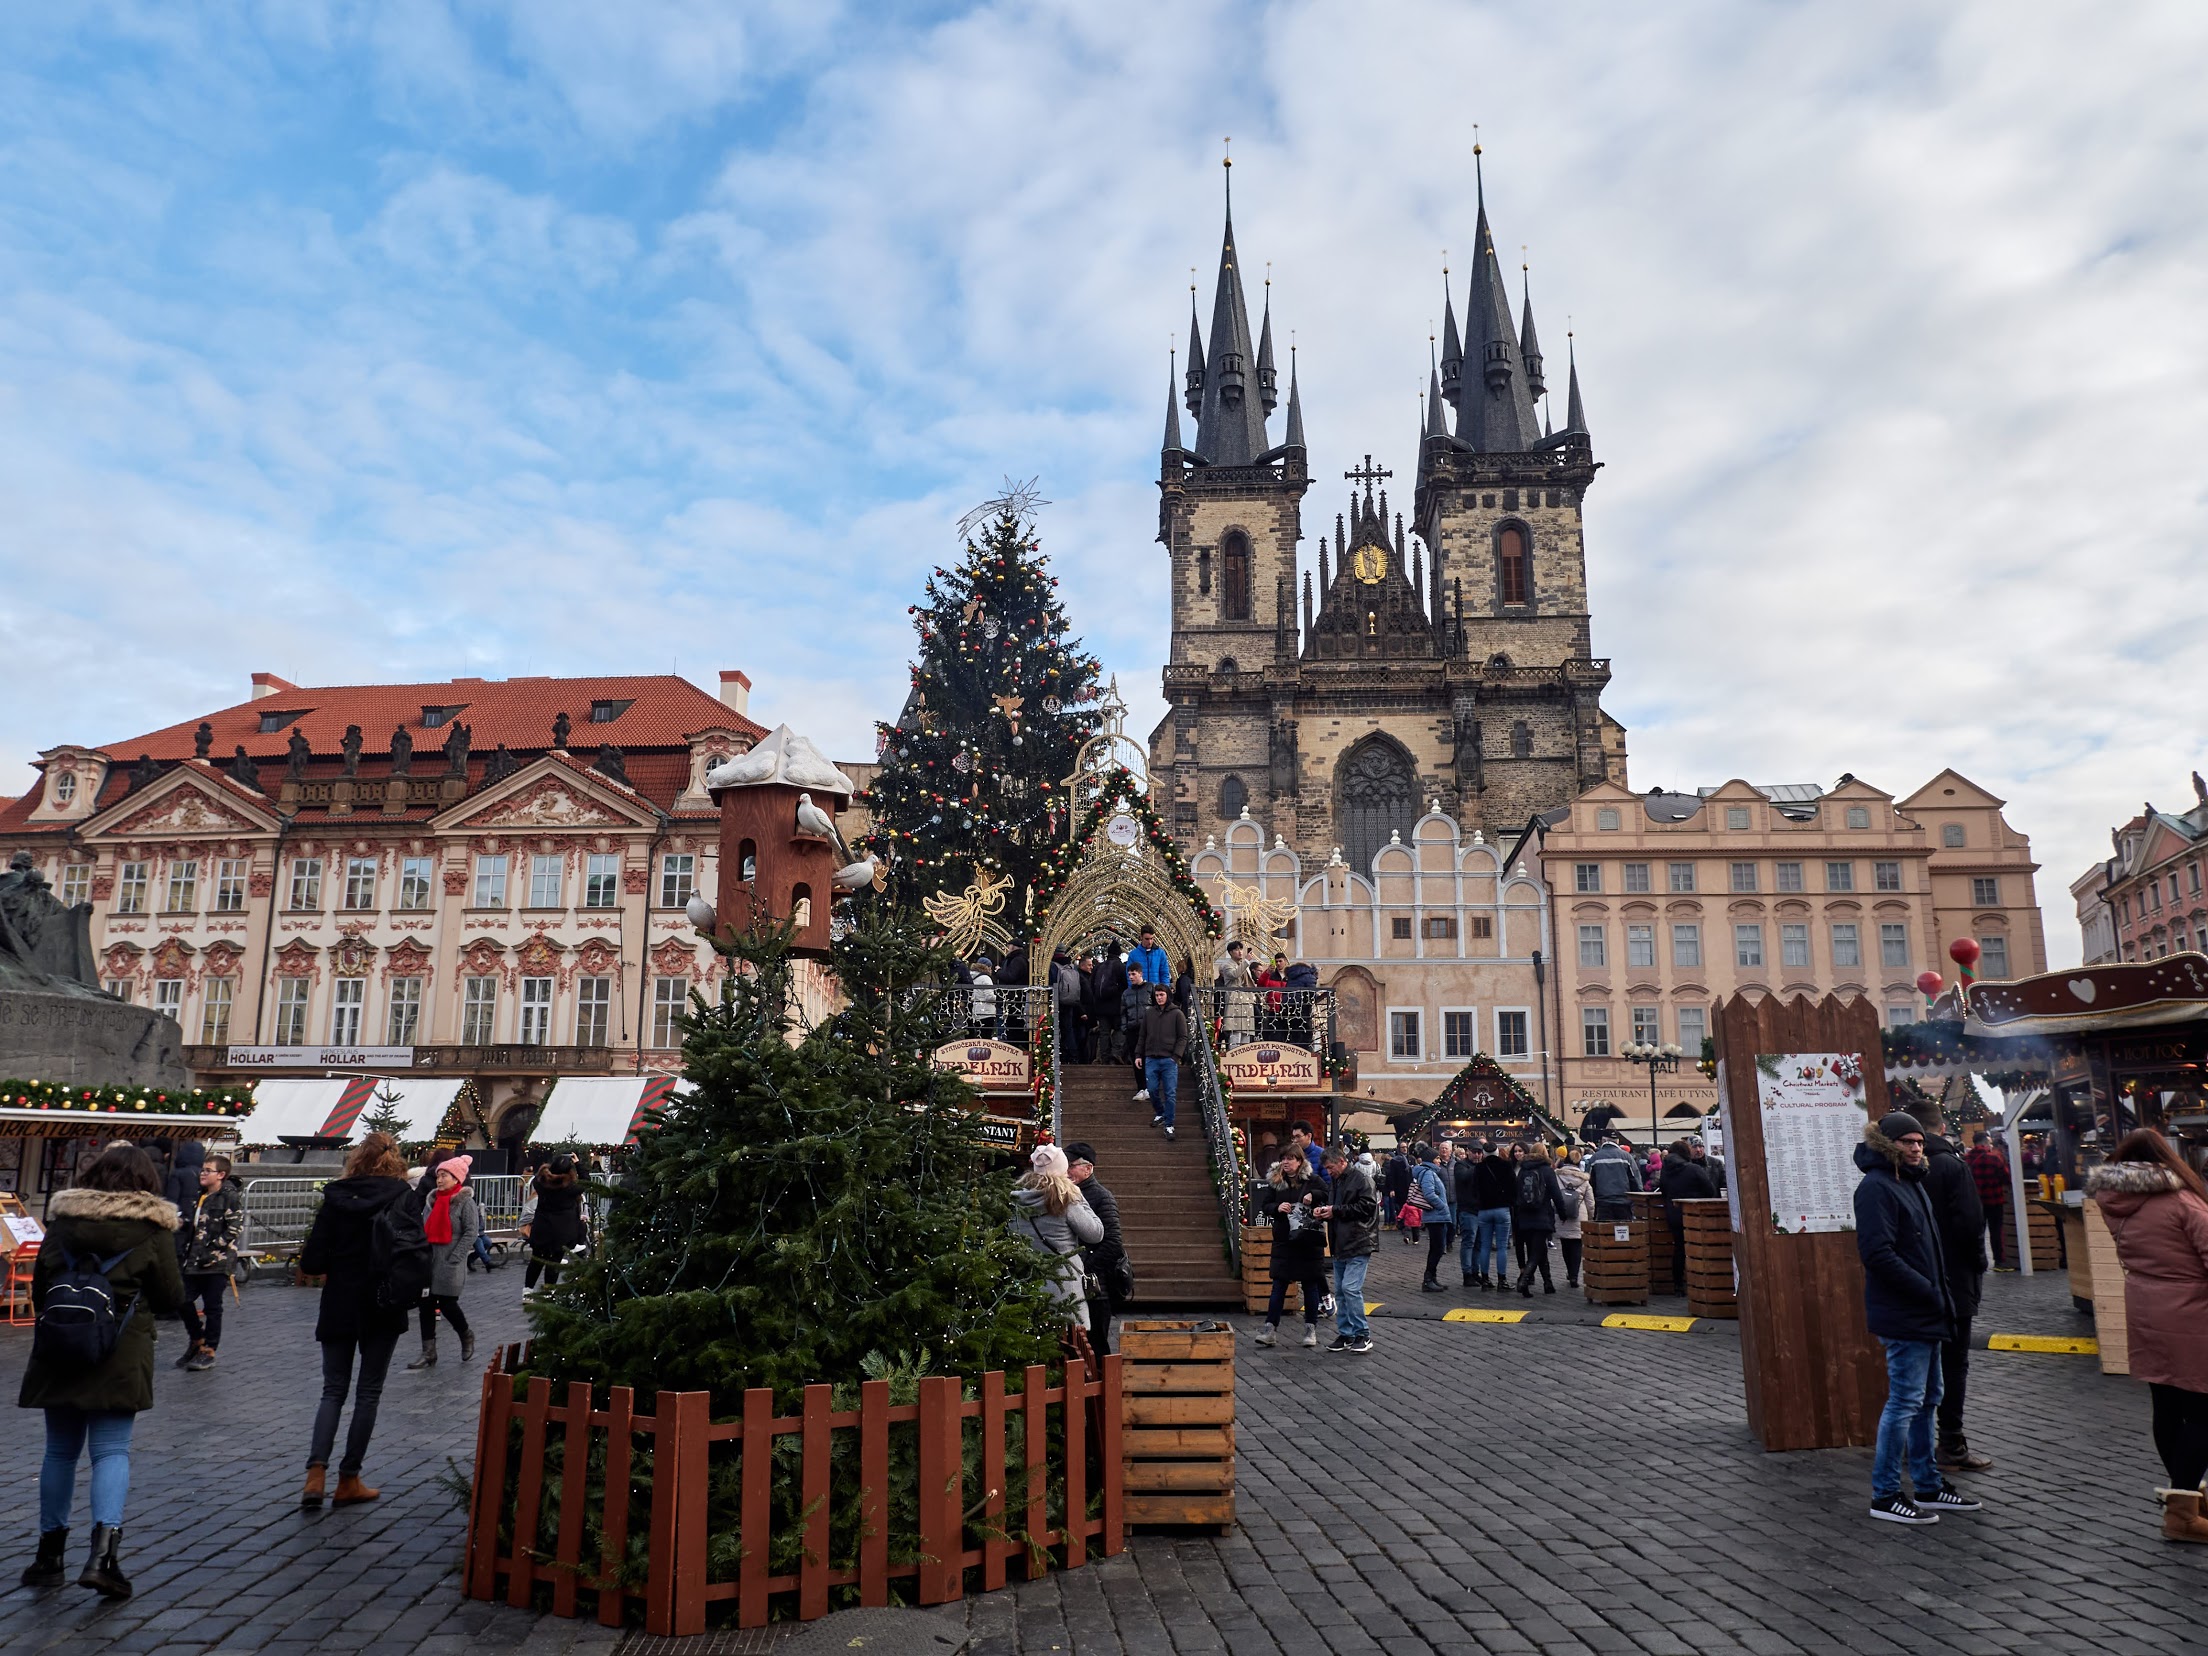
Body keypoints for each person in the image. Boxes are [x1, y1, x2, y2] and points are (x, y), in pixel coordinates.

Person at [17, 1142, 185, 1599]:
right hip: (119, 1352)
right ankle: (103, 1556)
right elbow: (172, 1297)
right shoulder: (152, 1228)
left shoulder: (64, 1222)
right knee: (111, 1451)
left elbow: (40, 1284)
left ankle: (48, 1556)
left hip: (62, 1344)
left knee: (59, 1453)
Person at [1852, 1112, 1980, 1525]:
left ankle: (1927, 1485)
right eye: (1907, 1141)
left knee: (1928, 1400)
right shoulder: (1876, 1187)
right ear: (1888, 1144)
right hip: (1906, 1311)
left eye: (1920, 1141)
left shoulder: (1912, 1183)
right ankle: (1885, 1493)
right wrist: (1927, 1291)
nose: (1916, 1147)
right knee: (1905, 1402)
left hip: (1928, 1310)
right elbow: (1878, 1254)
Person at [2086, 1130, 2208, 1543]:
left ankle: (2186, 1498)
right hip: (2192, 1312)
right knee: (2203, 1411)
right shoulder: (2182, 1201)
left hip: (2143, 1305)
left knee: (2168, 1406)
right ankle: (2182, 1513)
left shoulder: (2113, 1202)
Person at [298, 1132, 414, 1510]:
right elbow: (413, 1252)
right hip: (383, 1301)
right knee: (368, 1392)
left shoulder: (336, 1198)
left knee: (333, 1389)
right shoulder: (402, 1196)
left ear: (356, 1158)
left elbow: (312, 1262)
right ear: (394, 1159)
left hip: (341, 1301)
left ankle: (315, 1474)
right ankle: (349, 1478)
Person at [1921, 1114, 1991, 1473]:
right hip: (1954, 1278)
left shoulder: (1899, 1169)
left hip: (1917, 1279)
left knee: (1918, 1363)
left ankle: (1916, 1442)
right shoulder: (1951, 1165)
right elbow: (1970, 1222)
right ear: (1941, 1127)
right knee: (1954, 1362)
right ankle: (1951, 1442)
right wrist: (1979, 1262)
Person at [1009, 1145, 1104, 1329]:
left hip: (1029, 1281)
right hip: (1065, 1287)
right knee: (1071, 1344)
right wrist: (1079, 1197)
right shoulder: (1066, 1200)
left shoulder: (1016, 1201)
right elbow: (1095, 1234)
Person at [409, 1156, 481, 1370]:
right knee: (426, 1306)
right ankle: (428, 1352)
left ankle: (466, 1334)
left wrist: (456, 1257)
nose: (439, 1180)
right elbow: (424, 1227)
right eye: (438, 1175)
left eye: (444, 1176)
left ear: (456, 1178)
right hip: (429, 1261)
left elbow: (471, 1232)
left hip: (450, 1262)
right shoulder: (432, 1201)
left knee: (448, 1304)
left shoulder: (465, 1202)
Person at [1251, 1154, 1330, 1349]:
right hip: (1284, 1240)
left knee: (1310, 1284)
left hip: (1307, 1239)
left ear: (1299, 1162)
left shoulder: (1313, 1180)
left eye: (1291, 1159)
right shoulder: (1276, 1181)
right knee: (1278, 1284)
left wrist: (1314, 1196)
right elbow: (1266, 1205)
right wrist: (1278, 1207)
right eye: (1284, 1159)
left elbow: (1327, 1193)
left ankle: (1310, 1329)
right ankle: (1270, 1329)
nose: (1286, 1162)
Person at [175, 1152, 242, 1373]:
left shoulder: (228, 1196)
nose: (202, 1174)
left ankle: (209, 1350)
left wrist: (212, 1250)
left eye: (207, 1170)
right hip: (192, 1260)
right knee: (182, 1300)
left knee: (213, 1307)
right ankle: (197, 1339)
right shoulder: (200, 1195)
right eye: (202, 1169)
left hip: (217, 1263)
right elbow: (196, 1226)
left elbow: (234, 1228)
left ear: (221, 1175)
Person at [1063, 1144, 1127, 1353]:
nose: (1066, 1171)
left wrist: (1083, 1268)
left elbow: (1113, 1244)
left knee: (1095, 1346)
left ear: (1088, 1168)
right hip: (1071, 1285)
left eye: (1071, 1165)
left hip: (1096, 1288)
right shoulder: (1065, 1193)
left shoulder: (1102, 1197)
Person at [1315, 1145, 1377, 1353]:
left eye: (1331, 1167)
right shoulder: (1337, 1180)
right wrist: (1326, 1211)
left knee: (1350, 1288)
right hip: (1341, 1241)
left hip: (1359, 1240)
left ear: (1342, 1161)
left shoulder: (1361, 1180)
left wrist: (1335, 1210)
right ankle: (1347, 1333)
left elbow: (1367, 1208)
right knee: (1341, 1291)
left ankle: (1362, 1334)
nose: (1328, 1172)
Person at [1657, 1139, 1717, 1294]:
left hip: (1673, 1214)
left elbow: (1663, 1191)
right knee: (1697, 1248)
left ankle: (1678, 1284)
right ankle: (1697, 1282)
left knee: (1679, 1248)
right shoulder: (1694, 1169)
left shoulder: (1666, 1170)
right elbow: (1710, 1190)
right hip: (1695, 1216)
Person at [1512, 1143, 1572, 1295]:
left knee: (1539, 1250)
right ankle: (1524, 1280)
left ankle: (1548, 1283)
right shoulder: (1547, 1170)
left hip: (1524, 1215)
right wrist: (1563, 1214)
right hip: (1542, 1215)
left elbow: (1516, 1193)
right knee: (1537, 1252)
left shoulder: (1522, 1169)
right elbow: (1556, 1195)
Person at [523, 1152, 587, 1291]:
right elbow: (586, 1181)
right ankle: (548, 1291)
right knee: (554, 1262)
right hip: (560, 1232)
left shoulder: (540, 1183)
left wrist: (547, 1168)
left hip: (542, 1228)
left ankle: (527, 1290)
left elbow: (537, 1177)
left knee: (536, 1260)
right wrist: (578, 1164)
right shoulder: (569, 1189)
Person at [1136, 982, 1187, 1139]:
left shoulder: (1177, 1014)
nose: (1159, 998)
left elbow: (1183, 1037)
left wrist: (1175, 1057)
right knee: (1151, 1089)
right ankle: (1160, 1112)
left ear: (1167, 995)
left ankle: (1169, 1124)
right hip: (1151, 1058)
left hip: (1168, 1060)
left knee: (1170, 1093)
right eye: (1157, 995)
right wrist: (1139, 1054)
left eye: (1161, 995)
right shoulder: (1149, 1013)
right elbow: (1142, 1035)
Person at [1468, 1136, 1518, 1290]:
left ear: (1483, 1153)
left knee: (1485, 1246)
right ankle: (1502, 1280)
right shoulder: (1506, 1165)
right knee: (1502, 1246)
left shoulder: (1479, 1168)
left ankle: (1485, 1279)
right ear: (1497, 1152)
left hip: (1484, 1210)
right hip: (1502, 1209)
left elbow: (1474, 1189)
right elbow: (1513, 1188)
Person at [1408, 1145, 1452, 1292]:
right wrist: (1442, 1206)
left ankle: (1432, 1278)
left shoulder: (1431, 1172)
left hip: (1437, 1216)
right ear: (1431, 1160)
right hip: (1435, 1216)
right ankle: (1428, 1279)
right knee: (1437, 1248)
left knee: (1437, 1248)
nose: (1439, 1160)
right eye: (1437, 1158)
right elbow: (1429, 1194)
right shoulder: (1428, 1173)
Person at [1966, 1134, 2013, 1269]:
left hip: (1975, 1202)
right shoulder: (1994, 1158)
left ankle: (1979, 1262)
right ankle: (1999, 1261)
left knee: (1977, 1232)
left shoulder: (1966, 1159)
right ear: (1986, 1143)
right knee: (1996, 1232)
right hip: (1994, 1200)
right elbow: (2006, 1178)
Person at [1554, 1148, 1592, 1288]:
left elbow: (1553, 1194)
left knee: (1565, 1245)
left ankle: (1569, 1271)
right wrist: (1590, 1217)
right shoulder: (1584, 1180)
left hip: (1562, 1214)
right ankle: (1574, 1276)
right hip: (1579, 1215)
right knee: (1576, 1247)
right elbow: (1590, 1203)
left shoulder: (1557, 1176)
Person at [1585, 1136, 1642, 1222]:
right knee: (1624, 1231)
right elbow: (1635, 1179)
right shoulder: (1626, 1157)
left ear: (1603, 1141)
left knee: (1605, 1232)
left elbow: (1589, 1181)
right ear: (1617, 1141)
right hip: (1624, 1202)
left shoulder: (1595, 1158)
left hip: (1602, 1203)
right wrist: (1638, 1199)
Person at [1453, 1142, 1487, 1284]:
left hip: (1481, 1210)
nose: (1477, 1155)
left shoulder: (1481, 1166)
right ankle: (1467, 1274)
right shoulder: (1460, 1165)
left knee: (1479, 1243)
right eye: (1475, 1152)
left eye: (1479, 1152)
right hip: (1468, 1210)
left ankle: (1475, 1271)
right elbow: (1463, 1178)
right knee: (1469, 1241)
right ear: (1468, 1152)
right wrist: (1479, 1167)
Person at [1090, 943, 1127, 1063]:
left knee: (1104, 1032)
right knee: (1119, 1029)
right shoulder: (1121, 967)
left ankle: (1103, 1057)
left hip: (1100, 1007)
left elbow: (1092, 986)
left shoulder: (1098, 967)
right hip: (1116, 1006)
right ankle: (1115, 1054)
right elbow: (1125, 986)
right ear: (1119, 953)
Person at [1216, 942, 1256, 1047]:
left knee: (1246, 1033)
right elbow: (1235, 974)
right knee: (1235, 1031)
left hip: (1246, 1001)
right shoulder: (1227, 965)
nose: (1240, 952)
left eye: (1241, 949)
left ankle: (1244, 1059)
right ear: (1230, 952)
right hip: (1235, 1000)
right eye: (1237, 950)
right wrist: (1246, 961)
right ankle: (1233, 1058)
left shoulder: (1245, 965)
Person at [1120, 966, 1152, 1095]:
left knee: (1148, 1058)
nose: (1131, 977)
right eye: (1129, 974)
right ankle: (1141, 1087)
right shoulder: (1126, 993)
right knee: (1136, 1059)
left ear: (1140, 973)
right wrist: (1125, 1028)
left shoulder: (1150, 988)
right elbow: (1123, 1012)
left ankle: (1149, 1087)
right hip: (1132, 1029)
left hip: (1148, 1029)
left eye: (1133, 974)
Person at [1383, 1147, 1412, 1237]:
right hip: (1399, 1188)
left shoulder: (1410, 1159)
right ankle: (1400, 1223)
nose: (1404, 1149)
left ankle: (1404, 1223)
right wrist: (1392, 1189)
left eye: (1405, 1147)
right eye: (1402, 1147)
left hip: (1408, 1187)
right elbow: (1391, 1176)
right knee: (1399, 1206)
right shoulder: (1395, 1161)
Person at [968, 957, 998, 1039]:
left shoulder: (971, 976)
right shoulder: (985, 978)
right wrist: (999, 998)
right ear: (987, 967)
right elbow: (989, 997)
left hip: (975, 1011)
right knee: (986, 1037)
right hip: (987, 1012)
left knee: (978, 1037)